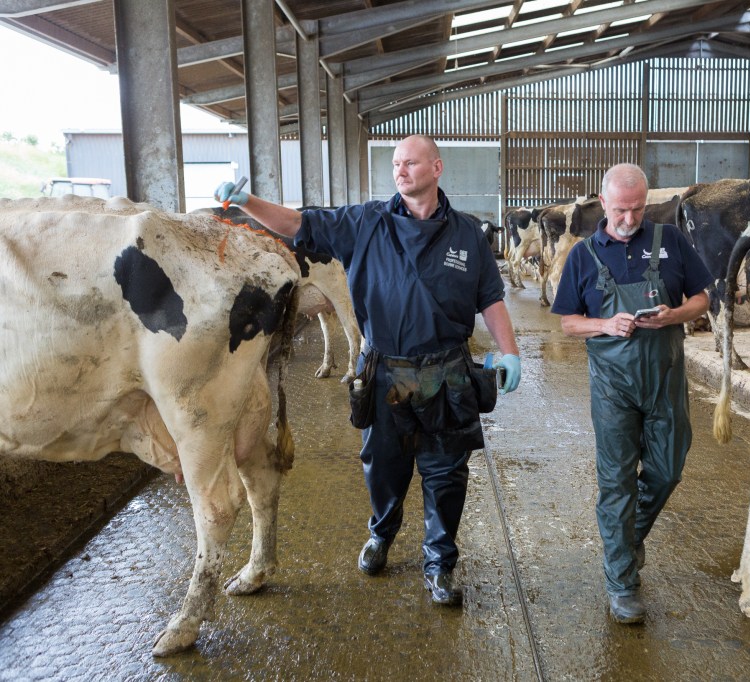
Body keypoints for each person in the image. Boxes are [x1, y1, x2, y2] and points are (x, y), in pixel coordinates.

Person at [214, 135, 521, 607]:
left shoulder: (467, 235)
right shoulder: (364, 223)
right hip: (383, 370)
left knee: (447, 475)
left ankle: (440, 562)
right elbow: (298, 224)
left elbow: (491, 298)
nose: (400, 170)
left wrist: (510, 350)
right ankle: (381, 533)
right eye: (396, 163)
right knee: (383, 468)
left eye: (411, 162)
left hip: (447, 372)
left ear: (436, 168)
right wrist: (247, 202)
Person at [551, 163, 711, 624]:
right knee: (617, 484)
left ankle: (626, 540)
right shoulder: (584, 255)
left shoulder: (671, 241)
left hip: (665, 379)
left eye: (637, 208)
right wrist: (605, 324)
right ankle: (621, 581)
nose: (629, 218)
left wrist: (674, 314)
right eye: (621, 209)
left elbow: (703, 298)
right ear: (603, 203)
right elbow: (567, 322)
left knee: (667, 470)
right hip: (612, 387)